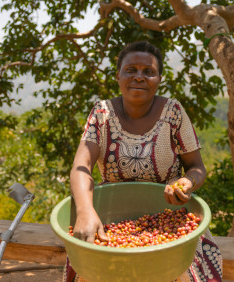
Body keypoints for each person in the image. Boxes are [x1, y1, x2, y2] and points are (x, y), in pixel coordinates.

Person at [65, 41, 223, 282]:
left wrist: (187, 182)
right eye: (131, 70)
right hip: (109, 216)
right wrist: (86, 211)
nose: (139, 77)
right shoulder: (102, 113)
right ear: (118, 76)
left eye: (148, 71)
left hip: (168, 218)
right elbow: (81, 167)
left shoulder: (174, 113)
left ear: (159, 79)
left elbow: (197, 167)